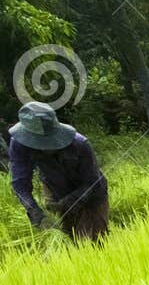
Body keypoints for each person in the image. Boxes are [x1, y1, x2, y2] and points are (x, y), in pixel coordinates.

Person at [8, 101, 108, 242]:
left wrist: (69, 201)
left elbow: (92, 182)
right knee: (67, 239)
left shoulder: (80, 144)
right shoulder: (19, 144)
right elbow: (20, 183)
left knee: (93, 241)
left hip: (91, 193)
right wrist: (34, 210)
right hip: (54, 187)